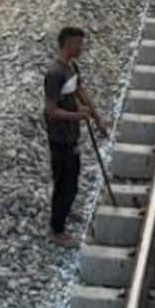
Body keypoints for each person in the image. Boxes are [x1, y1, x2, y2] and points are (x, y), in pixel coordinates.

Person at [44, 26, 109, 247]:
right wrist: (78, 115)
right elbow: (51, 111)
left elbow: (81, 92)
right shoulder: (55, 74)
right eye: (79, 44)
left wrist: (97, 119)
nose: (82, 48)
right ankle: (56, 230)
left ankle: (64, 212)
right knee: (64, 182)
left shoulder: (72, 67)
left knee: (72, 179)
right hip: (60, 138)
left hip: (71, 136)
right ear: (68, 44)